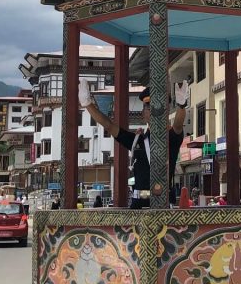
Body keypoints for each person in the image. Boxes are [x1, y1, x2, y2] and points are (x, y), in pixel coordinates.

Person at [81, 80, 188, 209]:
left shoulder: (171, 138)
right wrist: (87, 104)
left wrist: (181, 106)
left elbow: (177, 125)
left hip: (163, 206)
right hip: (138, 207)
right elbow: (109, 125)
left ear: (166, 111)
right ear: (143, 114)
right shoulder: (137, 141)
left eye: (157, 107)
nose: (153, 111)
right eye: (148, 107)